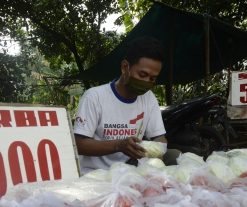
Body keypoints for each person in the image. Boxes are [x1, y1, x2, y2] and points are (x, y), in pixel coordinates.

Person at [73, 36, 181, 175]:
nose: (146, 82)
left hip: (131, 168)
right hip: (99, 174)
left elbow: (159, 138)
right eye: (142, 75)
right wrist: (118, 145)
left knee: (175, 156)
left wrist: (156, 152)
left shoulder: (148, 98)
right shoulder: (94, 97)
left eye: (152, 79)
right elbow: (79, 145)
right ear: (125, 67)